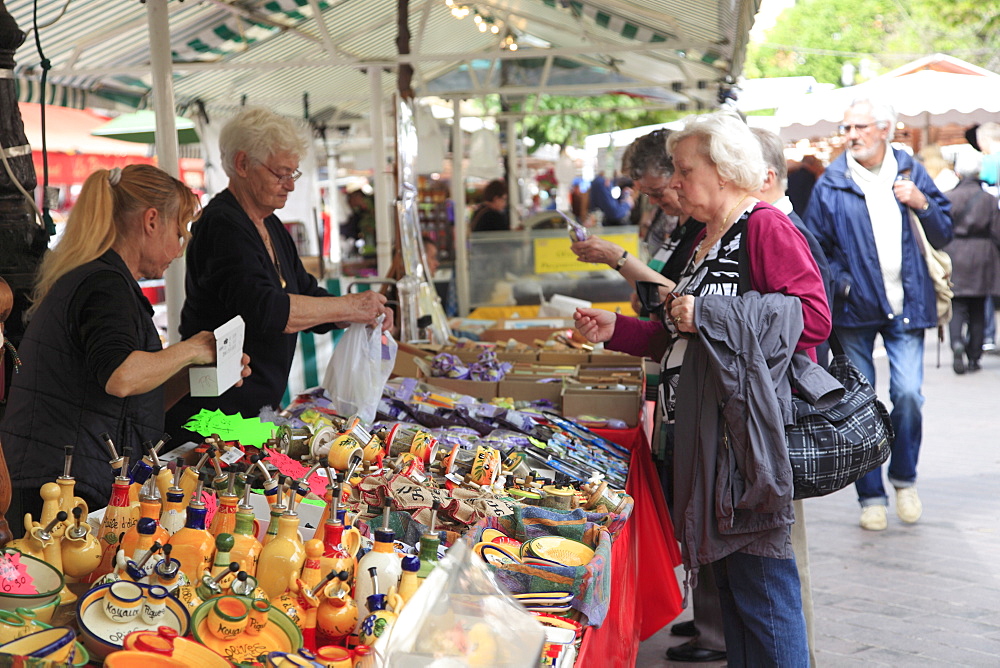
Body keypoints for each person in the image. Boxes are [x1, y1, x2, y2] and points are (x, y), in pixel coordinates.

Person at [576, 112, 830, 666]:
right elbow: (678, 333)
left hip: (744, 442)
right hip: (708, 441)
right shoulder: (705, 239)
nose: (678, 182)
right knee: (739, 595)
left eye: (686, 170)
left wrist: (713, 314)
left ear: (723, 169)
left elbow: (813, 317)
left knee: (764, 588)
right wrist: (615, 330)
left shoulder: (764, 226)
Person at [0, 165, 250, 526]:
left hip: (65, 475)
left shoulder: (101, 279)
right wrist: (193, 349)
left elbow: (134, 398)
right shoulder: (104, 286)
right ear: (151, 221)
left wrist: (202, 373)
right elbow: (121, 377)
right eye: (179, 234)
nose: (180, 251)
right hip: (60, 485)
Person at [166, 108, 391, 442]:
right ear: (242, 164)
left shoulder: (268, 221)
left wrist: (354, 316)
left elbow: (305, 290)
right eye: (280, 173)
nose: (289, 184)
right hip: (213, 414)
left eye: (293, 174)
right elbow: (269, 310)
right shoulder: (223, 225)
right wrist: (349, 307)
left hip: (252, 407)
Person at [804, 98, 953, 532]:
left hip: (907, 306)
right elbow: (817, 251)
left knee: (908, 396)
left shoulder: (910, 172)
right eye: (846, 127)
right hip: (855, 310)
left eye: (860, 126)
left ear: (885, 129)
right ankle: (870, 496)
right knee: (860, 404)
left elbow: (945, 232)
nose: (852, 135)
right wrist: (843, 283)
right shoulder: (831, 182)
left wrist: (923, 203)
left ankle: (904, 478)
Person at [943, 152, 1000, 374]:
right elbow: (997, 232)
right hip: (982, 256)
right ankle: (974, 355)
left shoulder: (948, 197)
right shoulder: (989, 199)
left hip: (955, 253)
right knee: (978, 308)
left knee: (956, 306)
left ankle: (956, 343)